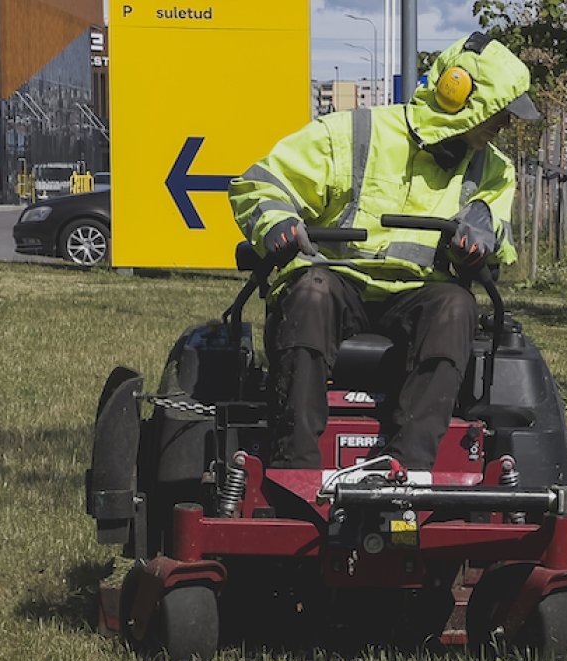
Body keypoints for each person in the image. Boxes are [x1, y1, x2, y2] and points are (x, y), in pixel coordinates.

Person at [228, 32, 541, 470]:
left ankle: (406, 467)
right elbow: (260, 182)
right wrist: (275, 222)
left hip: (423, 294)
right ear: (458, 92)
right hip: (339, 279)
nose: (506, 125)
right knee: (311, 290)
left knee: (456, 305)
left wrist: (483, 237)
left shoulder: (493, 169)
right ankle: (294, 463)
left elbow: (498, 231)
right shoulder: (351, 133)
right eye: (500, 112)